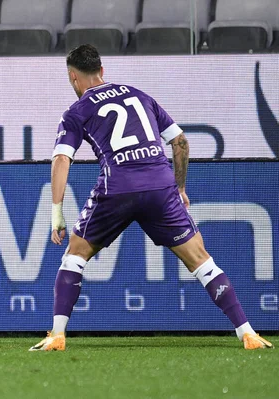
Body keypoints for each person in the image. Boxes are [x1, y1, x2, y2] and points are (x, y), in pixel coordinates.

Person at [30, 44, 273, 351]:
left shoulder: (76, 111)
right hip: (160, 186)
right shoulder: (139, 95)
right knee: (201, 261)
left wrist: (56, 213)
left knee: (75, 255)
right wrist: (180, 188)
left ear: (73, 78)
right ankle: (247, 333)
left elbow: (62, 160)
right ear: (102, 71)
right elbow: (181, 142)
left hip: (116, 188)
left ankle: (57, 335)